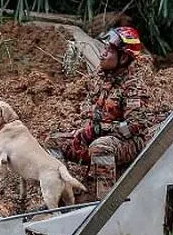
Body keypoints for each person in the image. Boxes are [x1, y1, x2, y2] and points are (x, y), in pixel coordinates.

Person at [51, 26, 154, 199]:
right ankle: (64, 194)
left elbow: (135, 126)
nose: (103, 53)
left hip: (127, 143)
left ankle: (104, 202)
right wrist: (84, 131)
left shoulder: (133, 87)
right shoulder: (102, 79)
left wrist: (99, 130)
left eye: (109, 50)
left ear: (123, 57)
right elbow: (91, 114)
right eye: (104, 48)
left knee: (100, 147)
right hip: (96, 137)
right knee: (54, 141)